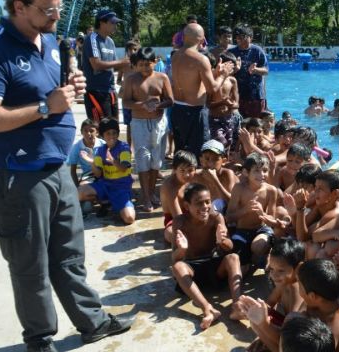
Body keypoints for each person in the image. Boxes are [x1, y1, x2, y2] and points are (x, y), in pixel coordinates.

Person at [0, 0, 132, 352]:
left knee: (70, 255)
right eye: (47, 10)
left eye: (57, 9)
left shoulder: (51, 42)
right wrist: (45, 106)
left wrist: (68, 90)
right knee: (30, 265)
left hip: (56, 167)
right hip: (16, 174)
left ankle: (92, 322)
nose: (56, 17)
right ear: (19, 7)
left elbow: (56, 93)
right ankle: (39, 339)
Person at [172, 182, 243, 329]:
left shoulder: (216, 218)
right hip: (192, 268)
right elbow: (175, 258)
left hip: (213, 264)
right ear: (187, 206)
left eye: (208, 202)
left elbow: (230, 248)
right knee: (178, 267)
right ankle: (207, 309)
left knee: (233, 258)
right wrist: (182, 249)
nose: (205, 206)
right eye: (199, 203)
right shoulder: (180, 222)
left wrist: (223, 241)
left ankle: (237, 305)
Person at [170, 22, 234, 158]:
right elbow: (212, 89)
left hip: (177, 109)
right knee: (198, 155)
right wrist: (223, 74)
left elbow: (193, 81)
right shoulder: (201, 59)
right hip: (195, 112)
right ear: (201, 39)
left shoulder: (175, 56)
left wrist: (214, 74)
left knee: (182, 154)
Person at [122, 47, 174, 211]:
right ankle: (145, 196)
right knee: (142, 160)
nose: (145, 68)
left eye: (148, 64)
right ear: (136, 65)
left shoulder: (162, 77)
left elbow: (170, 100)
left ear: (155, 62)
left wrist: (159, 105)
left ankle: (151, 193)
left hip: (158, 122)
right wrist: (142, 105)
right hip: (139, 123)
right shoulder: (131, 80)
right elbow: (126, 102)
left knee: (156, 160)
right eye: (141, 64)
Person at [78, 118, 136, 224]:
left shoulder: (124, 147)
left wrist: (113, 161)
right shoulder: (100, 150)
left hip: (121, 187)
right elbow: (98, 174)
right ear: (102, 135)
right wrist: (92, 163)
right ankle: (106, 201)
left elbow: (124, 168)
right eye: (108, 133)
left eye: (114, 133)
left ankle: (117, 202)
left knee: (129, 218)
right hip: (105, 185)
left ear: (118, 133)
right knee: (79, 192)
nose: (112, 136)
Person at [82, 9, 127, 122]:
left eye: (116, 23)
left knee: (113, 127)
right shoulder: (92, 39)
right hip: (96, 91)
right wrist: (122, 62)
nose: (115, 26)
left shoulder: (110, 41)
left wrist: (133, 64)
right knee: (100, 128)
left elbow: (115, 66)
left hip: (110, 90)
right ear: (102, 22)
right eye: (112, 22)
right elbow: (96, 65)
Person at [229, 25, 269, 118]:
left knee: (256, 123)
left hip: (256, 96)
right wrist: (235, 70)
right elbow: (223, 74)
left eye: (243, 37)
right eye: (238, 38)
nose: (240, 40)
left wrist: (256, 70)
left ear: (250, 37)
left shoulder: (257, 51)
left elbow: (266, 71)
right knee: (238, 123)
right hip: (237, 95)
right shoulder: (231, 52)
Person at [208, 51, 239, 153]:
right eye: (230, 67)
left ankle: (224, 163)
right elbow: (207, 105)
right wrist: (222, 102)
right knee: (221, 141)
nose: (232, 70)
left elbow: (236, 104)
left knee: (229, 143)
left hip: (229, 118)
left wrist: (231, 105)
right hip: (214, 119)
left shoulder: (232, 81)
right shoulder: (213, 81)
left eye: (233, 68)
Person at [67, 118, 104, 187]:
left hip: (104, 174)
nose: (88, 133)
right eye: (85, 131)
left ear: (97, 132)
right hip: (88, 176)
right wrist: (77, 188)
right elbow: (73, 171)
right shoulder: (76, 147)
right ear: (81, 132)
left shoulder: (103, 144)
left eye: (91, 131)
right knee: (83, 188)